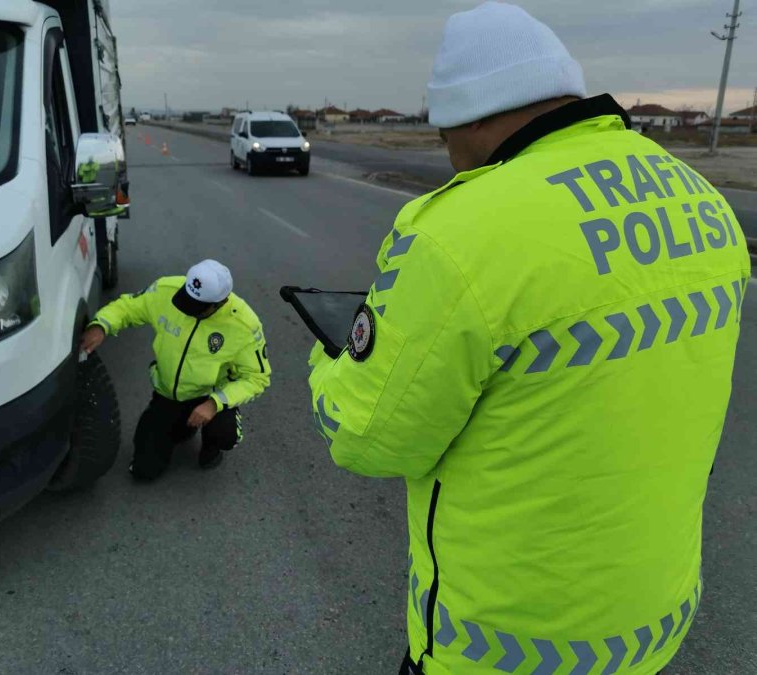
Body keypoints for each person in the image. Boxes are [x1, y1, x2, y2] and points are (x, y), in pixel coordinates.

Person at [307, 4, 750, 674]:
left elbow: (369, 436)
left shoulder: (461, 230)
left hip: (505, 649)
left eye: (445, 130)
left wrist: (329, 361)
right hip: (653, 627)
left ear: (475, 113)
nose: (448, 152)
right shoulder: (700, 200)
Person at [81, 260, 271, 478]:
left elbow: (257, 378)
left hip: (210, 395)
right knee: (144, 471)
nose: (188, 310)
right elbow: (127, 307)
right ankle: (184, 426)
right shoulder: (165, 289)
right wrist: (101, 325)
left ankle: (212, 444)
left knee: (224, 433)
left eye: (197, 307)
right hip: (168, 394)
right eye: (186, 300)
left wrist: (215, 403)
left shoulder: (245, 325)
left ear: (220, 303)